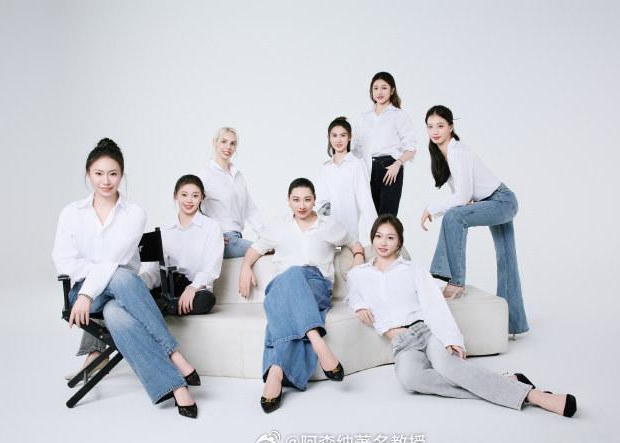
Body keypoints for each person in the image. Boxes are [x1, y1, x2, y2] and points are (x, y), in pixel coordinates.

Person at [348, 215, 576, 417]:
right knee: (410, 380)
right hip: (401, 343)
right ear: (372, 239)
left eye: (390, 237)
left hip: (426, 331)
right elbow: (353, 295)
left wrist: (451, 338)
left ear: (399, 242)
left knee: (449, 368)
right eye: (378, 236)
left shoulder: (412, 269)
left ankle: (534, 396)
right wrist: (359, 306)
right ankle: (508, 384)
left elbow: (434, 304)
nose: (383, 242)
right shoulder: (360, 274)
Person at [52, 138, 200, 418]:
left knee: (116, 310)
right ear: (88, 174)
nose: (105, 181)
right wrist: (86, 293)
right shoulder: (71, 213)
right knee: (118, 275)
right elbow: (64, 261)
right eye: (98, 173)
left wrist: (91, 280)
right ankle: (174, 354)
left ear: (121, 175)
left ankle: (175, 386)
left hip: (121, 296)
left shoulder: (134, 214)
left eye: (113, 174)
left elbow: (113, 259)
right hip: (84, 296)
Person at [238, 178, 365, 413]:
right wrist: (245, 267)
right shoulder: (278, 226)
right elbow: (255, 249)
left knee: (285, 293)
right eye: (296, 200)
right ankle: (316, 342)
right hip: (283, 286)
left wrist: (358, 257)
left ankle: (274, 373)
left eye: (307, 199)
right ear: (289, 201)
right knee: (288, 282)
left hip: (316, 285)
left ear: (314, 200)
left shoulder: (328, 225)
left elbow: (353, 242)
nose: (302, 205)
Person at [420, 105, 529, 335]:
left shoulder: (457, 152)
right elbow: (463, 195)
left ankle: (455, 281)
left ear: (451, 127)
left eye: (440, 126)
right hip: (491, 201)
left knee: (453, 216)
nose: (435, 131)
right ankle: (513, 325)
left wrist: (431, 208)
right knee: (506, 260)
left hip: (501, 201)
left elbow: (461, 198)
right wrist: (464, 201)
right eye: (430, 127)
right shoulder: (444, 154)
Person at [140, 174, 223, 315]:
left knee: (207, 300)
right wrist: (137, 283)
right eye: (184, 195)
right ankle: (169, 306)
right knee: (137, 291)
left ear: (202, 198)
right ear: (175, 196)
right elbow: (155, 272)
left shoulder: (212, 227)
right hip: (168, 288)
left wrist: (192, 287)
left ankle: (164, 307)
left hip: (195, 289)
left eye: (195, 196)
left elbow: (211, 269)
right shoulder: (164, 229)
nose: (189, 200)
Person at [352, 71, 416, 216]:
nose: (379, 92)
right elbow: (357, 150)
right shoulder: (364, 118)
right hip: (367, 169)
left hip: (390, 168)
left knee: (387, 218)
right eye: (375, 88)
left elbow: (411, 148)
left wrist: (397, 164)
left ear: (392, 90)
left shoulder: (399, 115)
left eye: (384, 88)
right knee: (372, 219)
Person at [199, 127, 265, 258]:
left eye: (232, 143)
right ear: (215, 142)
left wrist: (265, 238)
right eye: (224, 141)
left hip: (237, 238)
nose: (228, 147)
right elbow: (192, 208)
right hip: (223, 239)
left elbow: (251, 210)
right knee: (262, 250)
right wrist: (209, 235)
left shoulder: (238, 175)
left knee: (270, 249)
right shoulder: (205, 175)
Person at [315, 116, 377, 244]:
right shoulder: (326, 168)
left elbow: (365, 201)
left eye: (343, 135)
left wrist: (376, 235)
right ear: (329, 138)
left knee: (344, 257)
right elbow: (320, 203)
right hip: (327, 236)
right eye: (334, 135)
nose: (338, 140)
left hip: (350, 238)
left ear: (349, 137)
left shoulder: (356, 165)